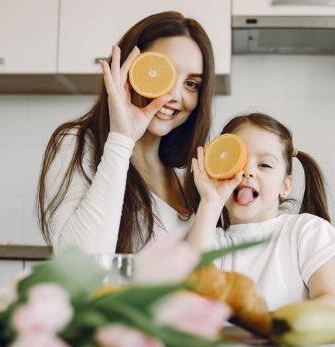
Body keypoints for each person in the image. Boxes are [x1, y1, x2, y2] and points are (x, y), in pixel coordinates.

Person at [37, 11, 215, 254]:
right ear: (126, 70)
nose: (174, 96)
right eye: (161, 73)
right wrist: (122, 139)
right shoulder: (76, 145)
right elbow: (81, 264)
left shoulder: (185, 176)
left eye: (191, 84)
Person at [187, 113, 335, 312]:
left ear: (285, 186)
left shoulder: (307, 232)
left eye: (264, 165)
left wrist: (273, 326)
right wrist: (210, 201)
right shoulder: (212, 241)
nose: (247, 171)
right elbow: (189, 295)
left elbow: (331, 303)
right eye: (237, 162)